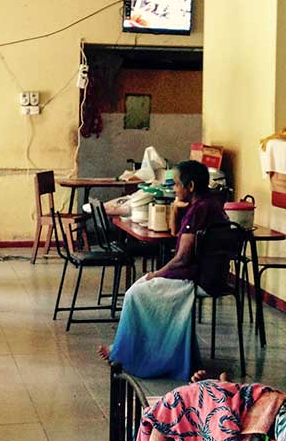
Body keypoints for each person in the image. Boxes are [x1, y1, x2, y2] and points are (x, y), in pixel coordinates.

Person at [97, 160, 227, 380]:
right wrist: (176, 207)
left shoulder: (198, 211)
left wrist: (155, 274)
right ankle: (124, 347)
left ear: (190, 186)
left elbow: (182, 258)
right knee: (142, 288)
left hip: (196, 277)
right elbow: (176, 233)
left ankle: (127, 353)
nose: (173, 188)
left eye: (176, 184)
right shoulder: (211, 204)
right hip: (214, 275)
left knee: (135, 293)